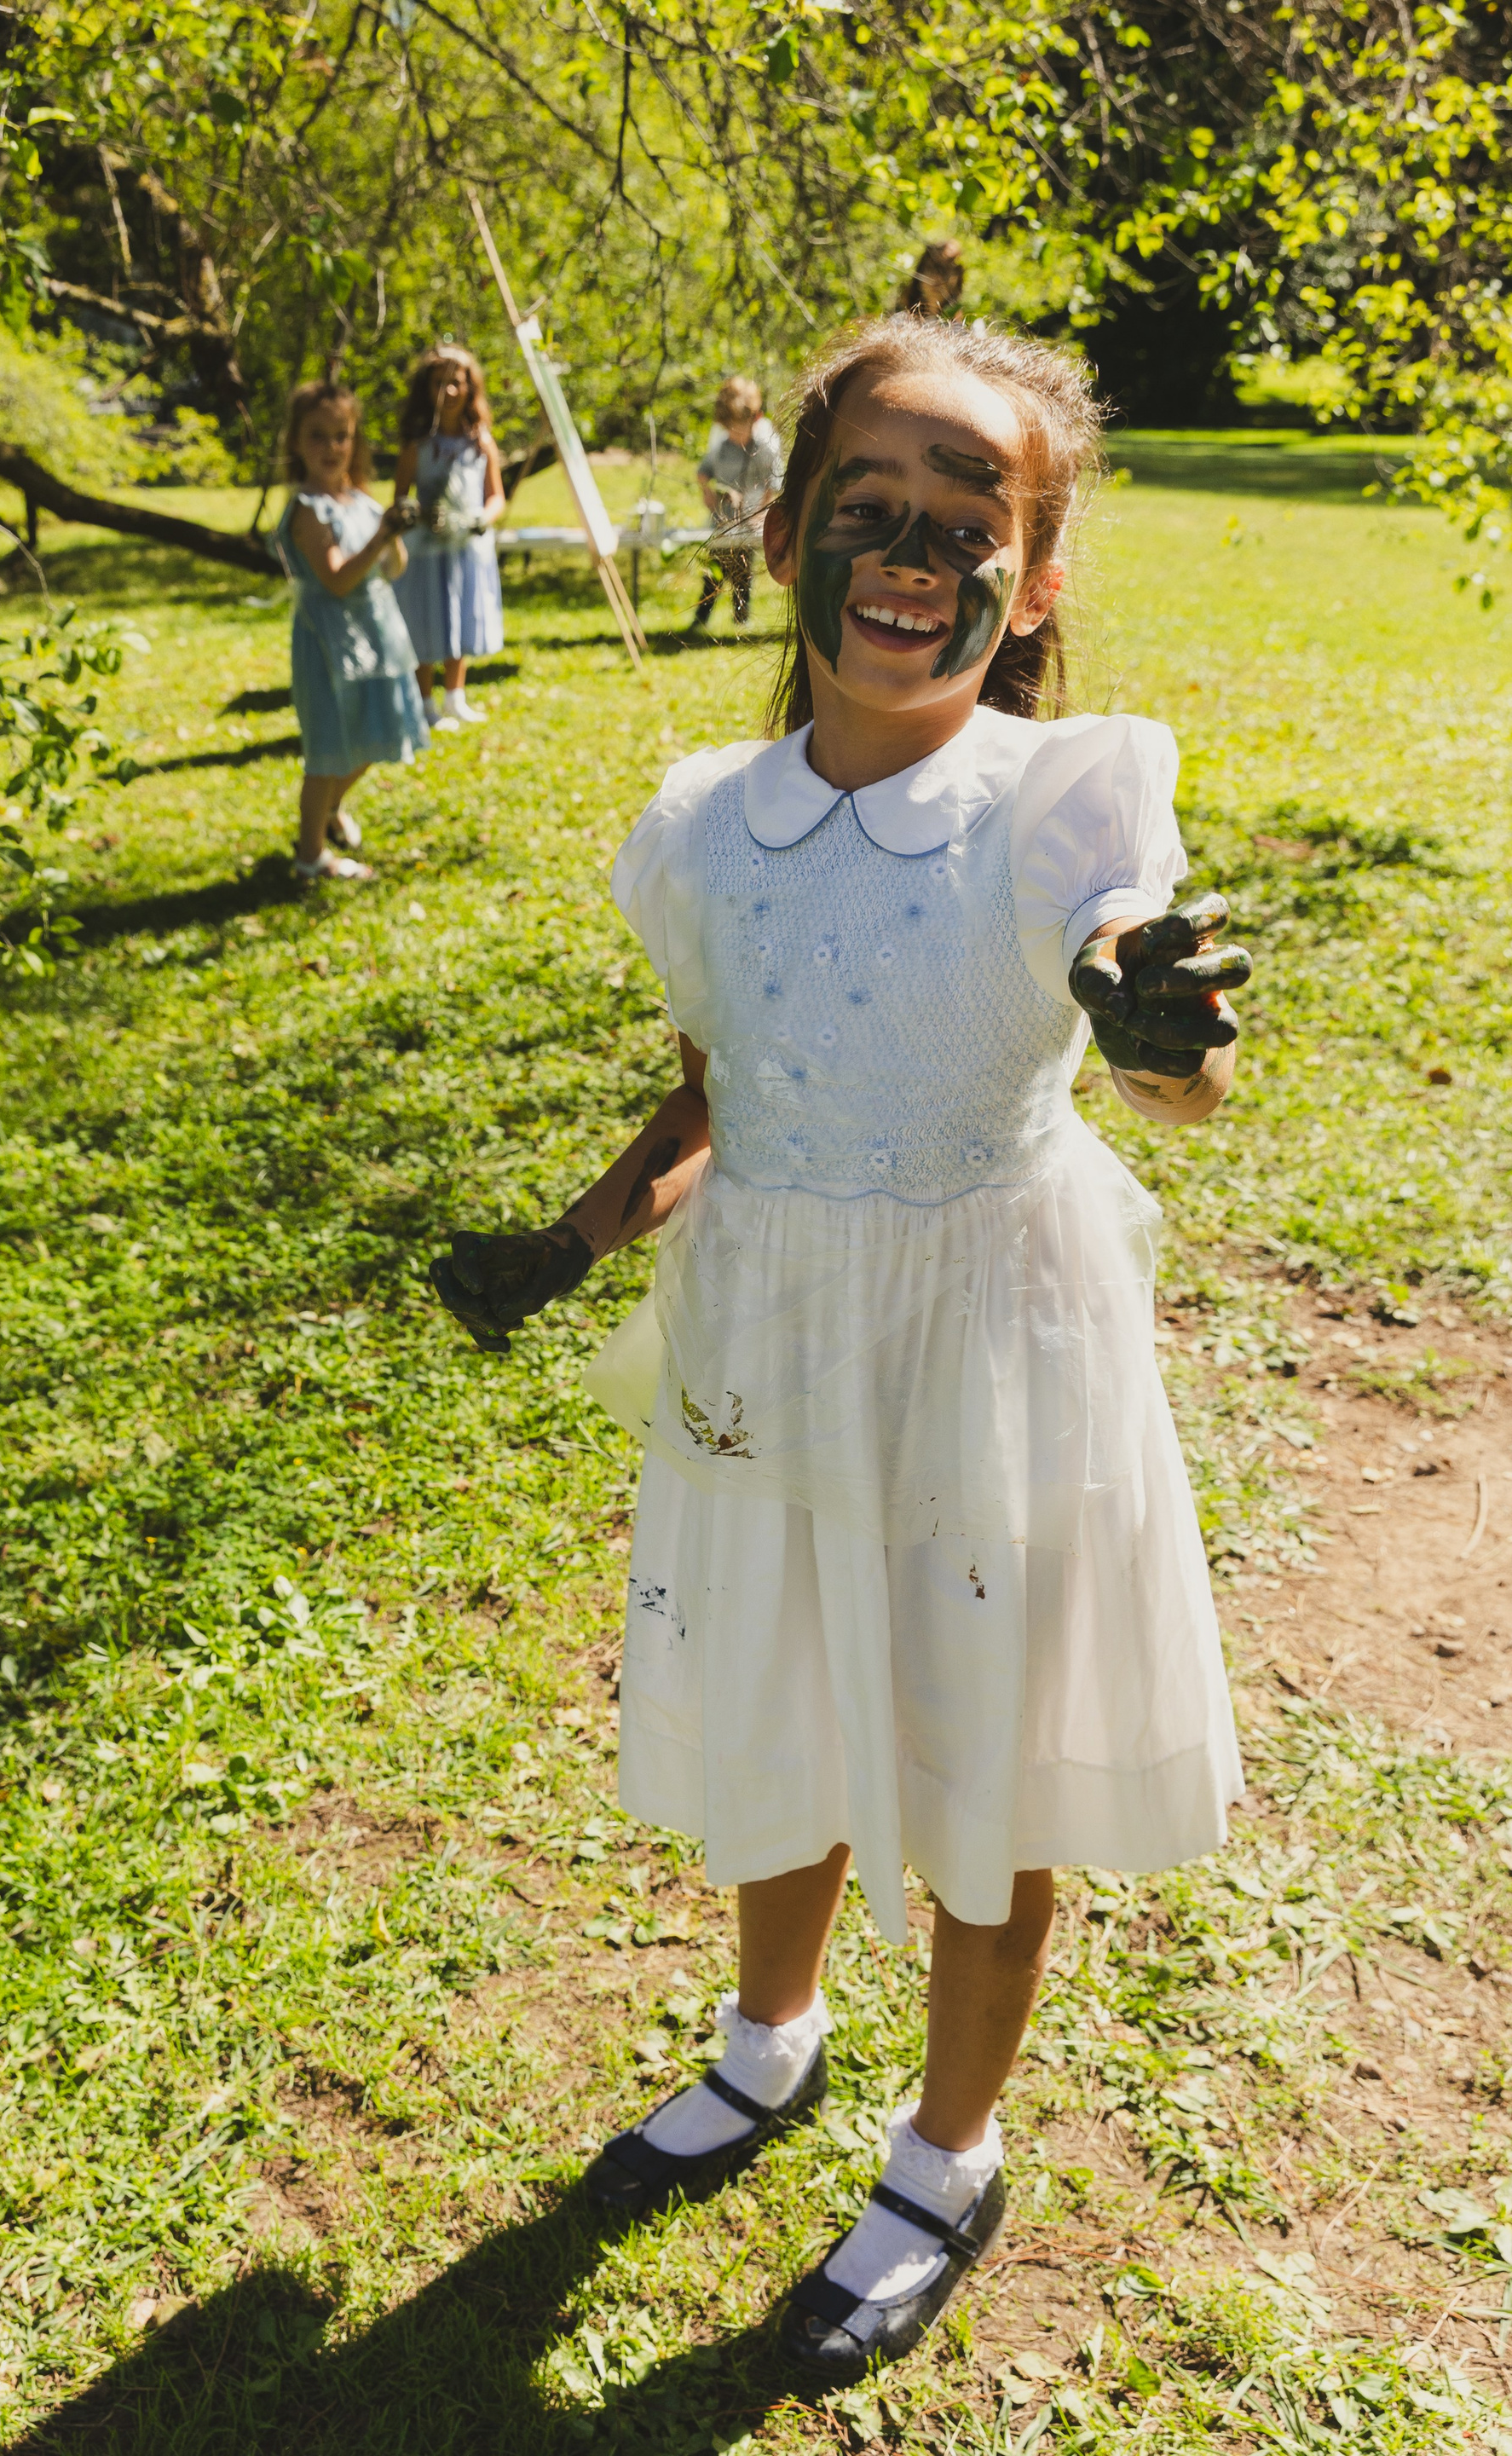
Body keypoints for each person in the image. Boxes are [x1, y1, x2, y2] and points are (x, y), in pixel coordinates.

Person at [429, 315, 1254, 2383]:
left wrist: (1157, 1016)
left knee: (982, 1758)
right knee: (777, 1696)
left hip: (986, 1357)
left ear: (1030, 582)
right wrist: (574, 1236)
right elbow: (726, 1088)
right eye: (868, 505)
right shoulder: (704, 822)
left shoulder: (1060, 801)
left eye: (967, 521)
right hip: (766, 1337)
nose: (911, 550)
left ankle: (949, 2153)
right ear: (787, 534)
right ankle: (766, 2036)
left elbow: (1145, 1016)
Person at [273, 379, 428, 883]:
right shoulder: (309, 509)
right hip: (327, 641)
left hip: (376, 635)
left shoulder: (359, 498)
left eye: (341, 435)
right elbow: (337, 580)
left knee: (378, 732)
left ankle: (329, 810)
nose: (331, 447)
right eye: (317, 436)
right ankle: (310, 856)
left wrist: (393, 534)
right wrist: (382, 535)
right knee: (328, 748)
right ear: (297, 442)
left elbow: (394, 568)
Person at [391, 345, 505, 729]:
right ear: (426, 389)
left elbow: (496, 496)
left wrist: (479, 519)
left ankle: (455, 697)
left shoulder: (481, 441)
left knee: (461, 615)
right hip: (426, 549)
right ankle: (424, 703)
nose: (449, 392)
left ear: (470, 387)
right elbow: (400, 496)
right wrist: (420, 514)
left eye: (456, 383)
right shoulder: (418, 443)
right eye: (439, 383)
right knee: (426, 620)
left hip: (466, 547)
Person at [691, 375, 784, 630]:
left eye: (739, 427)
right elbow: (703, 472)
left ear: (754, 419)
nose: (734, 433)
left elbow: (774, 483)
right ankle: (701, 618)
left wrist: (762, 514)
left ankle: (740, 620)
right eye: (730, 428)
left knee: (743, 570)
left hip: (750, 522)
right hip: (722, 521)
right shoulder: (721, 447)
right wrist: (707, 492)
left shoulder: (765, 446)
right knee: (714, 570)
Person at [901, 236, 965, 318]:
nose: (937, 279)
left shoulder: (967, 323)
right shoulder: (901, 321)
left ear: (957, 278)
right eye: (932, 269)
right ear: (921, 271)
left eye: (945, 272)